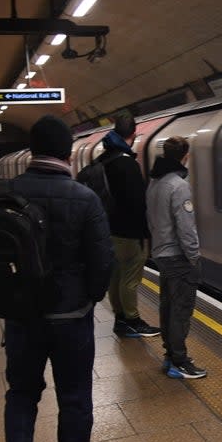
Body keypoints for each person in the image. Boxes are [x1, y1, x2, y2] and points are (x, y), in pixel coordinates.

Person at [0, 115, 113, 442]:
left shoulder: (5, 193)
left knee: (22, 392)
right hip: (70, 317)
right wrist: (89, 298)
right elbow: (102, 262)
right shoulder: (85, 198)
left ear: (32, 150)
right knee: (75, 397)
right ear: (68, 152)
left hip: (21, 316)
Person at [145, 135, 206, 379]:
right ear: (185, 156)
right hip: (178, 256)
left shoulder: (155, 183)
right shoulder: (179, 186)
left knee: (168, 306)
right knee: (180, 310)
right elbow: (186, 227)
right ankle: (179, 361)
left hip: (161, 253)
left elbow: (150, 219)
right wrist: (194, 257)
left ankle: (171, 355)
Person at [98, 114, 160, 338]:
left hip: (110, 229)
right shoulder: (127, 164)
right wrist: (146, 232)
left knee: (116, 275)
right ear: (133, 134)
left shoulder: (104, 160)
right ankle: (132, 319)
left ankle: (120, 318)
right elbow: (137, 202)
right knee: (130, 278)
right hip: (130, 232)